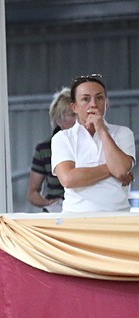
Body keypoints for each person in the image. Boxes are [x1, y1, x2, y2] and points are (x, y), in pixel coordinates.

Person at [52, 74, 135, 213]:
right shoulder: (63, 138)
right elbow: (68, 179)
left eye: (99, 98)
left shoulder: (123, 133)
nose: (93, 104)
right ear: (74, 107)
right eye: (86, 99)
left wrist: (102, 130)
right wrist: (111, 169)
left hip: (118, 217)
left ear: (106, 104)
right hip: (75, 219)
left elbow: (120, 171)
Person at [28, 88, 74, 212]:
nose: (78, 119)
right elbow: (33, 192)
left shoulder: (92, 144)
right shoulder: (44, 149)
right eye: (73, 115)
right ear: (59, 120)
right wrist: (48, 203)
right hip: (57, 210)